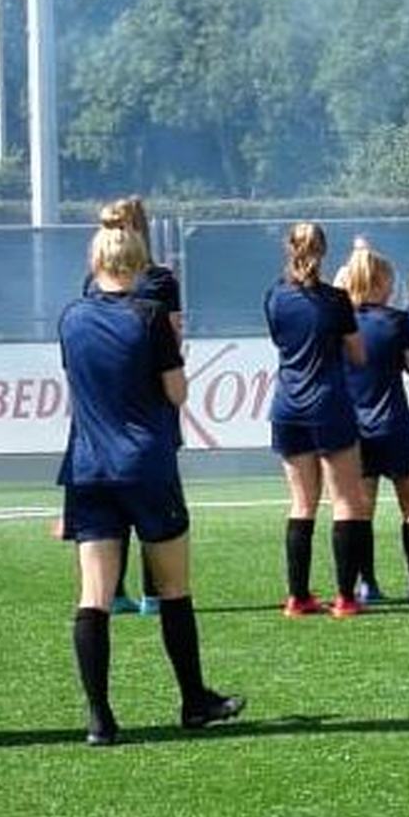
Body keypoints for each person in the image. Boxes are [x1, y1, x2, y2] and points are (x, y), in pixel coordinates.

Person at [59, 218, 243, 745]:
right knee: (173, 588)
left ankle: (99, 717)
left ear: (95, 264)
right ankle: (193, 699)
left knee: (94, 594)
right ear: (139, 264)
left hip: (89, 468)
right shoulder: (151, 315)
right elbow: (178, 392)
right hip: (145, 465)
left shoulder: (71, 318)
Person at [264, 222, 373, 618]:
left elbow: (281, 339)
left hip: (288, 405)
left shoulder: (275, 296)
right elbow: (358, 354)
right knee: (347, 501)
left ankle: (298, 596)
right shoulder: (336, 300)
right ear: (324, 252)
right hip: (329, 404)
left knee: (301, 503)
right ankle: (345, 597)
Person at [337, 244, 409, 611]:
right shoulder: (399, 322)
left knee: (359, 510)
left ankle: (366, 583)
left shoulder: (343, 322)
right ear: (382, 282)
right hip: (395, 424)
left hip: (356, 428)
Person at [90, 196, 183, 616]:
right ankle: (154, 592)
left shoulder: (92, 284)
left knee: (111, 500)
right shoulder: (161, 280)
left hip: (106, 403)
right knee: (155, 496)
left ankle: (114, 590)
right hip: (150, 403)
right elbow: (174, 336)